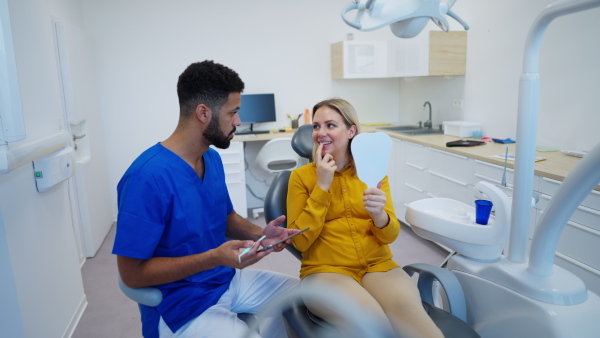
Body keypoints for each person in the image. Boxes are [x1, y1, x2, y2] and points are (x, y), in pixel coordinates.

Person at [113, 60, 300, 338]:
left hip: (225, 279)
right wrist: (213, 258)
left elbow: (226, 218)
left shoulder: (211, 158)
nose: (238, 121)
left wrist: (263, 234)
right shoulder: (146, 178)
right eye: (232, 112)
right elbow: (132, 275)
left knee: (311, 295)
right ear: (203, 113)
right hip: (181, 303)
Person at [286, 98, 444, 337]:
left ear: (351, 131)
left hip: (378, 267)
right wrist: (322, 186)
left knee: (418, 325)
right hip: (326, 272)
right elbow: (299, 241)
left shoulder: (374, 173)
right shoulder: (300, 178)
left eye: (330, 125)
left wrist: (380, 215)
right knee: (374, 326)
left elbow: (389, 237)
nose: (320, 133)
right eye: (316, 126)